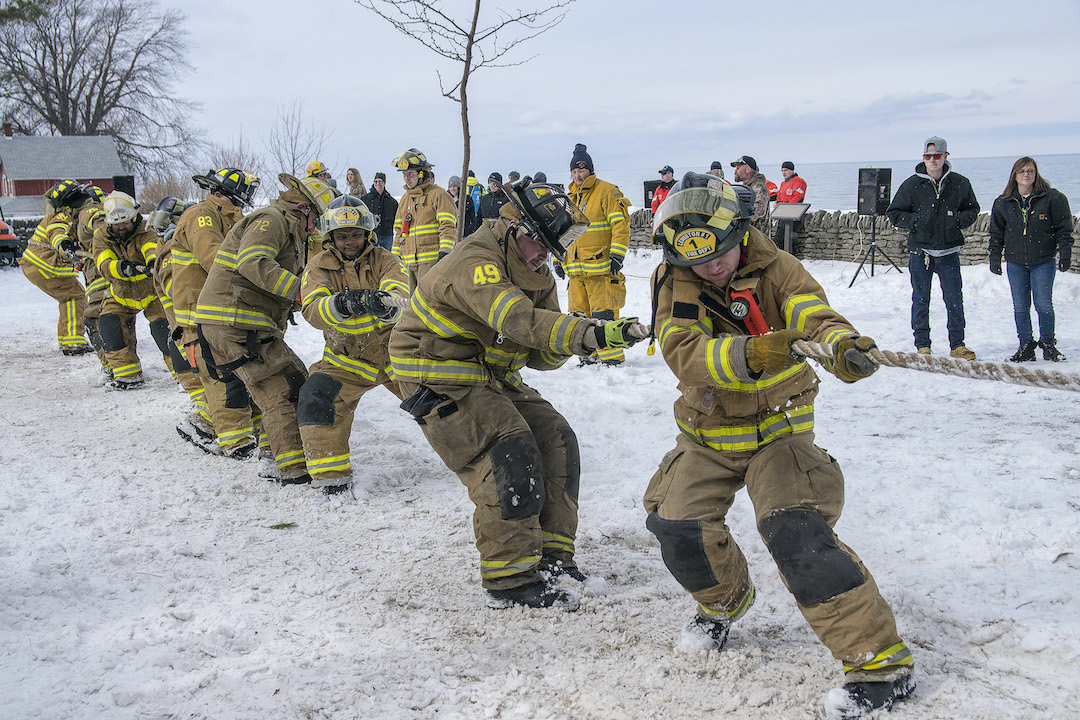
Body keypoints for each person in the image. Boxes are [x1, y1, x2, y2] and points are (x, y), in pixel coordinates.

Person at [646, 172, 914, 719]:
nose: (711, 266)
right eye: (698, 259)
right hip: (709, 435)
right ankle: (725, 602)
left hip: (779, 431)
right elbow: (684, 353)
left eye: (720, 252)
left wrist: (838, 343)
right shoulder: (675, 280)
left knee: (795, 529)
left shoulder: (779, 267)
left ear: (740, 230)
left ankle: (879, 664)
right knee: (675, 525)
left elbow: (809, 311)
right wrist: (754, 353)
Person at [389, 178, 643, 610]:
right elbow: (519, 320)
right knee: (508, 444)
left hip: (487, 373)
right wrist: (587, 333)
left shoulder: (536, 272)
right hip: (436, 370)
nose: (546, 257)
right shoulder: (477, 258)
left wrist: (572, 338)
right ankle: (510, 575)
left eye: (551, 249)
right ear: (515, 228)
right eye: (541, 245)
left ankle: (553, 556)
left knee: (556, 438)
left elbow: (541, 348)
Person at [193, 173, 337, 484]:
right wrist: (300, 291)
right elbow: (252, 262)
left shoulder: (291, 231)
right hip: (234, 320)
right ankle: (292, 469)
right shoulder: (271, 220)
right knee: (282, 389)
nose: (316, 229)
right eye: (317, 219)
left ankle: (274, 459)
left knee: (295, 381)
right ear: (304, 208)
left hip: (244, 322)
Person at [297, 197, 410, 495]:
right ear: (331, 237)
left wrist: (385, 302)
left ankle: (479, 456)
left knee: (445, 398)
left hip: (396, 357)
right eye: (343, 235)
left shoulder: (386, 259)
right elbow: (313, 309)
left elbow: (399, 288)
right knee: (316, 398)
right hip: (346, 363)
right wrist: (342, 304)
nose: (350, 242)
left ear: (367, 234)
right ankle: (331, 478)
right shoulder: (317, 267)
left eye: (356, 234)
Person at [172, 168, 264, 458]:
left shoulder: (225, 217)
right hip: (198, 313)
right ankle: (236, 441)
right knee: (220, 375)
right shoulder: (203, 217)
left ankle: (201, 424)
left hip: (217, 310)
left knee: (233, 371)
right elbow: (216, 259)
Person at [886, 136, 980, 360]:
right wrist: (916, 221)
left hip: (949, 252)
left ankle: (958, 345)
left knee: (954, 299)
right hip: (921, 252)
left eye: (936, 156)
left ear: (945, 157)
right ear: (923, 158)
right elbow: (894, 213)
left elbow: (972, 210)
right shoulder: (912, 185)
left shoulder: (960, 183)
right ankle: (922, 344)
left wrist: (957, 220)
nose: (932, 160)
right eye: (928, 156)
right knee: (920, 298)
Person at [988, 156, 1073, 362]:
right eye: (1022, 171)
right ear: (1014, 175)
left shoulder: (1052, 198)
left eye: (1030, 171)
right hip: (1016, 262)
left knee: (1043, 304)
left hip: (1043, 261)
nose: (1026, 174)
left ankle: (1048, 344)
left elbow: (1064, 229)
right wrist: (995, 258)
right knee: (1020, 306)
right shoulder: (1003, 202)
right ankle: (1026, 345)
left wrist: (1065, 254)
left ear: (1036, 174)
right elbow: (996, 233)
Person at [91, 191, 174, 390]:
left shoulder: (147, 229)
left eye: (126, 222)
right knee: (110, 326)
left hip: (153, 293)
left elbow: (151, 246)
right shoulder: (102, 236)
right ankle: (127, 375)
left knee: (166, 331)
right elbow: (103, 263)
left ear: (134, 216)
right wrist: (122, 268)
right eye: (117, 224)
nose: (122, 227)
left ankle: (186, 375)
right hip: (121, 293)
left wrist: (153, 261)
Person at [564, 143, 632, 365]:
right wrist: (559, 257)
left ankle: (612, 358)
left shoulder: (607, 191)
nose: (578, 176)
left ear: (590, 170)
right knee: (579, 317)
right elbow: (563, 232)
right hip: (575, 272)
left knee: (604, 316)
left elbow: (620, 226)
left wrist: (617, 255)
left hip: (601, 269)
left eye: (581, 171)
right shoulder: (569, 197)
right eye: (574, 171)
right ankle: (588, 355)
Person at [19, 180, 95, 355]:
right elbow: (57, 236)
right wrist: (65, 248)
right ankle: (72, 342)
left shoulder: (64, 214)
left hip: (37, 265)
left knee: (73, 295)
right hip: (44, 265)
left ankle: (67, 339)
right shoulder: (62, 217)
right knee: (73, 296)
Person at [391, 148, 458, 290]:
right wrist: (394, 259)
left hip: (431, 263)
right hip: (409, 265)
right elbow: (399, 232)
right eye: (404, 174)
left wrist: (444, 253)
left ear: (421, 174)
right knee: (412, 308)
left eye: (410, 174)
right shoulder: (404, 199)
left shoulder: (439, 195)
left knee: (430, 306)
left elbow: (448, 227)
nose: (407, 178)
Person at [730, 155, 771, 236]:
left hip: (758, 239)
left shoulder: (758, 187)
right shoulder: (747, 188)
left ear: (748, 169)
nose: (735, 171)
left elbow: (758, 212)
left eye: (738, 168)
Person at [772, 161, 808, 248]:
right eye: (782, 170)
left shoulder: (799, 182)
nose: (784, 173)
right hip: (782, 214)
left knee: (785, 238)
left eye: (786, 170)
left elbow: (798, 197)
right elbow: (780, 196)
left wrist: (786, 206)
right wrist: (777, 202)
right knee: (779, 238)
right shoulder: (783, 184)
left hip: (792, 214)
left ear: (792, 170)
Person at [361, 171, 398, 252]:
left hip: (386, 236)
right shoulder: (366, 200)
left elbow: (397, 218)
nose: (378, 184)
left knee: (387, 258)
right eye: (376, 181)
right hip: (371, 235)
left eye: (380, 181)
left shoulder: (391, 201)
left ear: (384, 183)